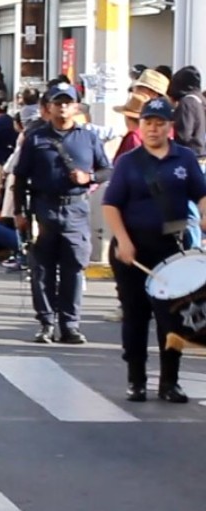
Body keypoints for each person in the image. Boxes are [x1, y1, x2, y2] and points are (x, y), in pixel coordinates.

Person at [102, 97, 206, 403]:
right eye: (148, 122)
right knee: (136, 316)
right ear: (141, 125)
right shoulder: (128, 162)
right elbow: (111, 205)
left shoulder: (184, 159)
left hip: (171, 249)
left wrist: (203, 215)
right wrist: (123, 240)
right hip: (133, 248)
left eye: (160, 123)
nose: (153, 129)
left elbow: (201, 193)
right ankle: (136, 380)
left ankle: (169, 381)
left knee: (172, 318)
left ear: (170, 127)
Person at [13, 82, 112, 344]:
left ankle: (70, 324)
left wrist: (88, 177)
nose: (63, 107)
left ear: (76, 106)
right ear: (49, 107)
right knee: (42, 269)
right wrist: (19, 211)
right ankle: (46, 322)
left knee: (73, 267)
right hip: (43, 208)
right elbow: (20, 176)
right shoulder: (36, 138)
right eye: (58, 103)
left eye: (68, 102)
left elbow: (106, 170)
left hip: (76, 208)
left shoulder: (88, 137)